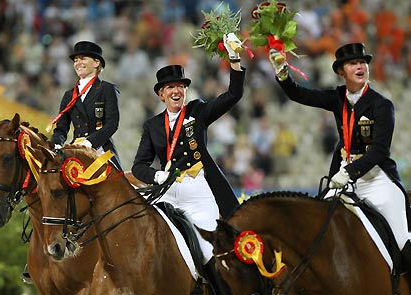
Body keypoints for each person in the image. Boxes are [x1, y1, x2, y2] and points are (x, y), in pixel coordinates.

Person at [269, 42, 411, 271]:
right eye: (353, 63)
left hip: (376, 178)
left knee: (403, 241)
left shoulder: (382, 105)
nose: (360, 66)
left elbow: (380, 150)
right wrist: (281, 71)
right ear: (341, 71)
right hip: (343, 177)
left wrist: (349, 172)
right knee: (318, 231)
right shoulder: (337, 98)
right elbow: (298, 94)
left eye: (363, 62)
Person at [131, 33, 245, 294]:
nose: (176, 91)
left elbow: (234, 94)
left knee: (207, 253)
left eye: (180, 86)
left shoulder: (198, 110)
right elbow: (139, 165)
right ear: (161, 94)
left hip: (198, 192)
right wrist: (155, 176)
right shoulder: (152, 126)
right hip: (166, 192)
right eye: (170, 87)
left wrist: (235, 60)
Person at [49, 41, 122, 169]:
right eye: (75, 60)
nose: (78, 63)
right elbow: (61, 128)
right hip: (75, 147)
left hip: (100, 149)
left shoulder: (107, 89)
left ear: (96, 63)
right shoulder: (69, 95)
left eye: (82, 58)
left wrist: (90, 142)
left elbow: (112, 124)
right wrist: (56, 143)